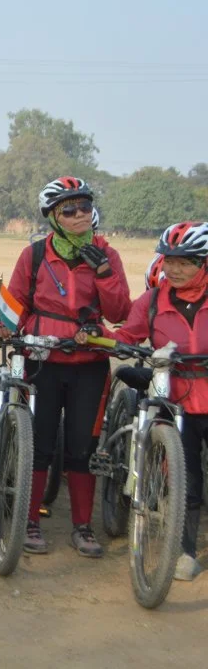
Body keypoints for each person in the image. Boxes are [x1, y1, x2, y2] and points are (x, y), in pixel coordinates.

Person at [0, 177, 130, 558]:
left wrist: (104, 273)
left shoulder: (107, 254)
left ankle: (82, 527)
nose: (78, 216)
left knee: (81, 447)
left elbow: (120, 313)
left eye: (84, 208)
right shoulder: (35, 255)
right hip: (43, 361)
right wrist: (2, 328)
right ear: (53, 217)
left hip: (89, 364)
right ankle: (31, 522)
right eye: (68, 210)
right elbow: (17, 302)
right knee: (37, 445)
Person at [110, 222, 208, 582]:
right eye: (170, 261)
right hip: (175, 402)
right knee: (187, 482)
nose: (176, 269)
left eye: (187, 262)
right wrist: (100, 335)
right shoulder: (152, 301)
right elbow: (127, 335)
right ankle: (184, 553)